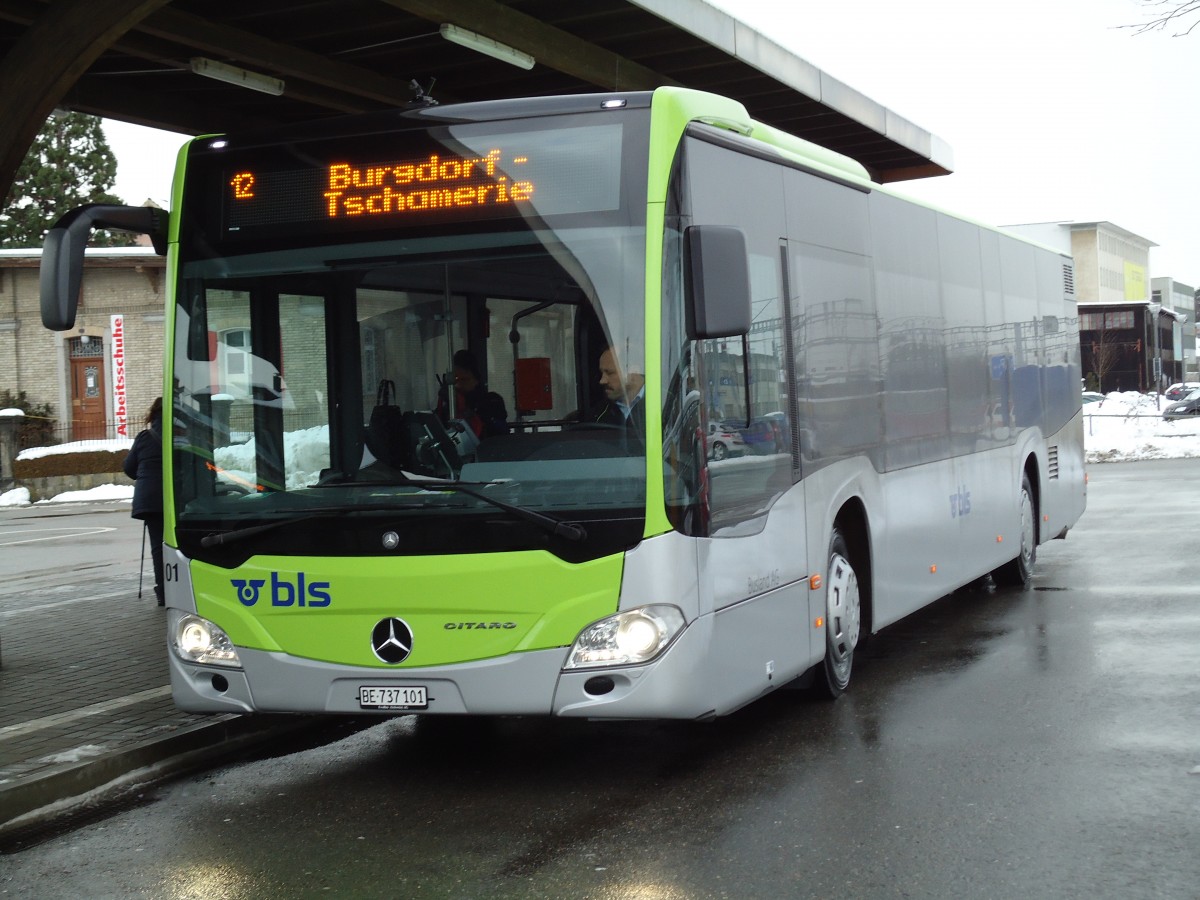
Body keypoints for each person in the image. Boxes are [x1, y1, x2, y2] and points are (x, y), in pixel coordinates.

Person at [124, 397, 165, 605]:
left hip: (148, 500)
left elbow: (129, 467)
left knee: (158, 547)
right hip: (173, 500)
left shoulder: (144, 437)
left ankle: (163, 592)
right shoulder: (181, 436)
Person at [436, 349, 509, 438]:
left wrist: (463, 407)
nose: (458, 385)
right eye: (455, 381)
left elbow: (494, 432)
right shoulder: (450, 401)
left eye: (463, 379)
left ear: (473, 376)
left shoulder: (492, 401)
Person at [589, 345, 645, 436]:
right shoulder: (598, 415)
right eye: (601, 373)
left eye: (610, 373)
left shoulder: (666, 403)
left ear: (634, 371)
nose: (602, 381)